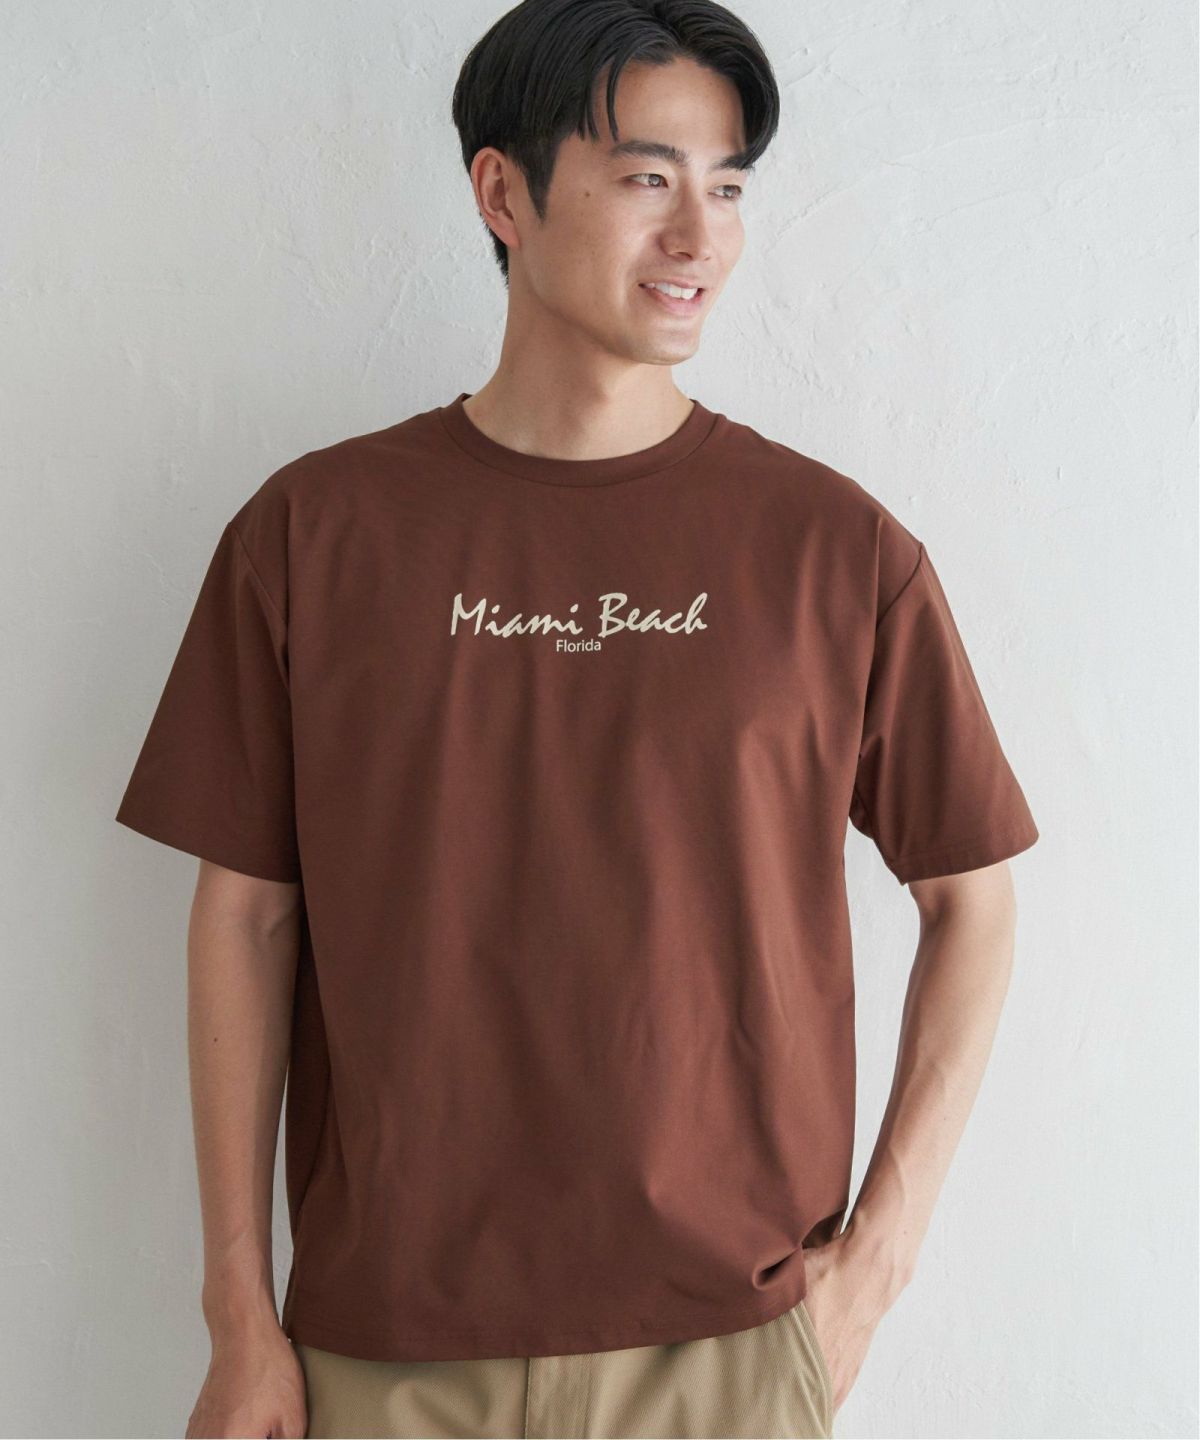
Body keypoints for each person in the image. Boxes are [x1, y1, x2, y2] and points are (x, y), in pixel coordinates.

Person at [114, 1, 1040, 1436]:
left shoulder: (833, 552)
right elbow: (243, 919)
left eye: (729, 186)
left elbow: (972, 895)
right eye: (648, 177)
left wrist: (875, 1268)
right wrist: (240, 1311)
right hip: (385, 1348)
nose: (701, 235)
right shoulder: (314, 534)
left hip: (730, 1348)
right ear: (503, 192)